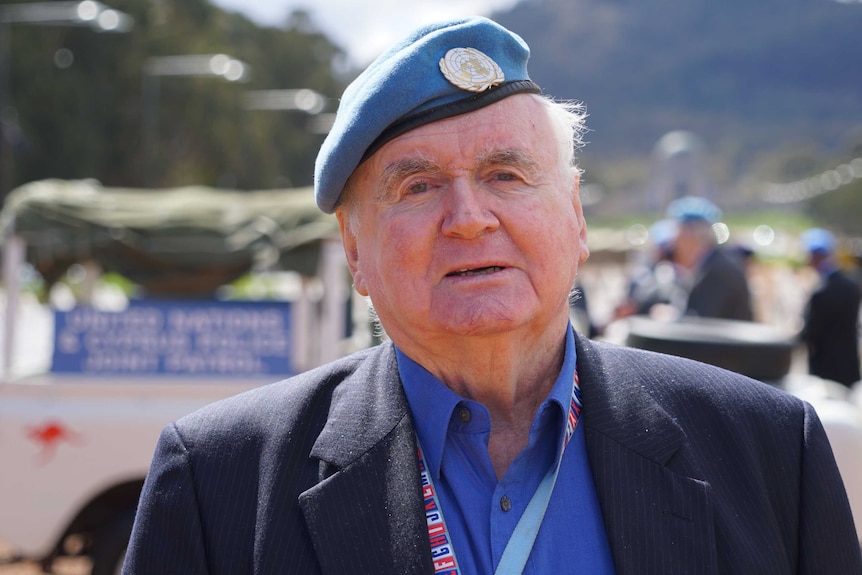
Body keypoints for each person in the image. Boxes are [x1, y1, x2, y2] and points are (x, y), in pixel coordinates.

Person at [123, 17, 861, 574]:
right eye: (418, 186)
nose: (470, 216)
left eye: (507, 174)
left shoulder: (769, 453)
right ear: (354, 249)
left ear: (574, 216)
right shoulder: (218, 482)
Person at [666, 195, 754, 321]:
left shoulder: (718, 271)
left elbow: (703, 322)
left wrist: (672, 317)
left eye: (677, 233)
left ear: (689, 235)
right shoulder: (709, 265)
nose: (673, 241)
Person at [799, 227, 862, 388]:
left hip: (825, 367)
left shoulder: (822, 291)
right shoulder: (851, 285)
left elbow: (812, 332)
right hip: (847, 364)